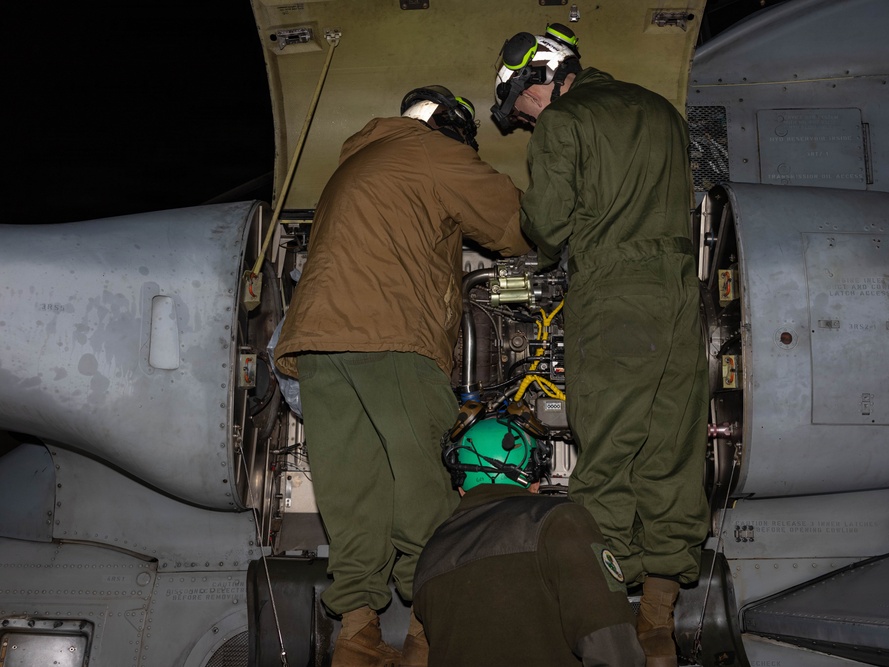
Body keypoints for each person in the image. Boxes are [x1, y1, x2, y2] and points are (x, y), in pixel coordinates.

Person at [274, 86, 531, 667]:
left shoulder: (354, 163)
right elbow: (513, 223)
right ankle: (428, 633)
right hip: (389, 336)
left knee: (351, 489)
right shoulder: (429, 151)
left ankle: (357, 637)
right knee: (420, 484)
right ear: (451, 127)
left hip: (318, 344)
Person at [490, 27, 710, 666]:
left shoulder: (565, 121)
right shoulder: (661, 111)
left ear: (542, 78)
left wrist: (537, 235)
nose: (528, 123)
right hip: (680, 294)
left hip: (616, 295)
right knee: (671, 447)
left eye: (522, 108)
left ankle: (607, 615)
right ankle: (658, 622)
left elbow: (548, 222)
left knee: (608, 450)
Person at [413, 407, 645, 667]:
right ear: (534, 482)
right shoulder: (561, 521)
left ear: (461, 487)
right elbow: (613, 649)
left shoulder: (430, 556)